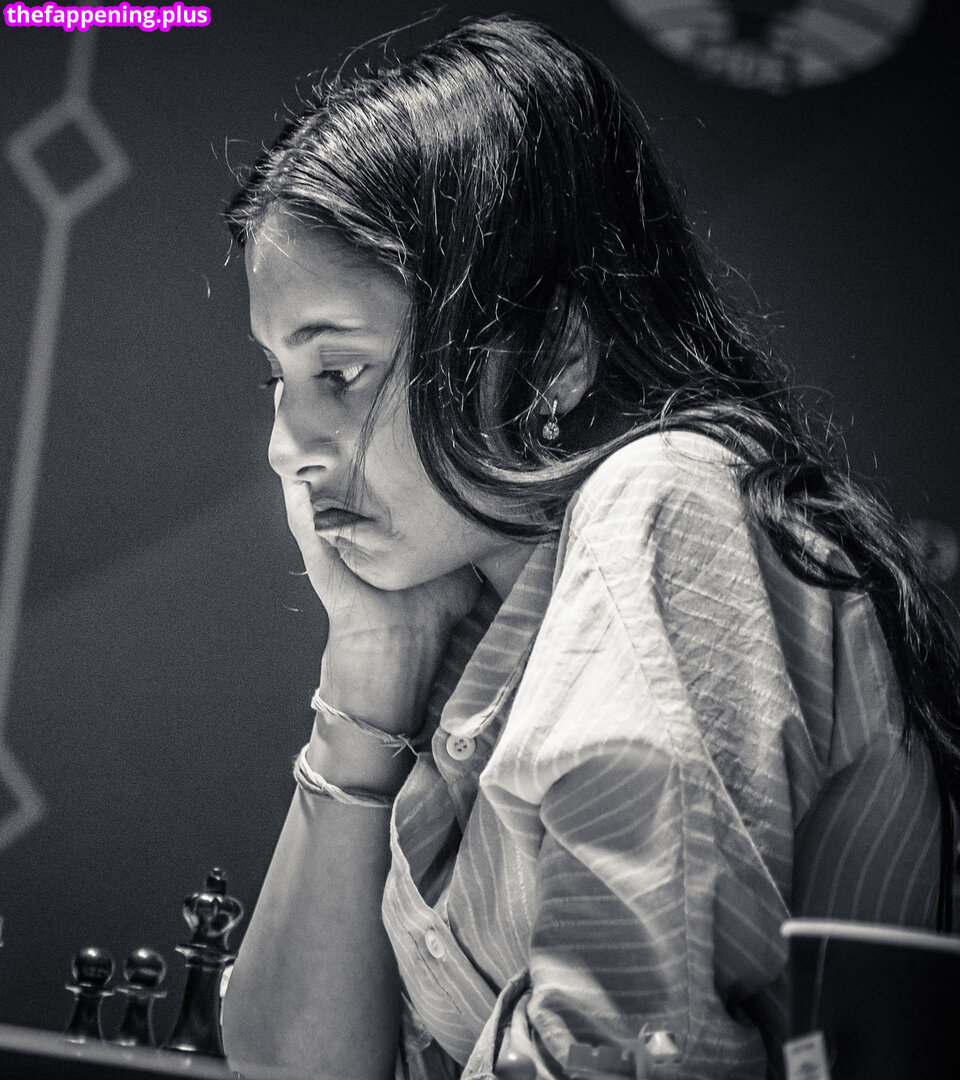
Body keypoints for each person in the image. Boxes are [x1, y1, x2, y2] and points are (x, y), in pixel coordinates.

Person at [218, 15, 960, 1080]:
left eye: (339, 372)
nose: (287, 447)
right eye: (278, 380)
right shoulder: (474, 602)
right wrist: (369, 667)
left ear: (554, 353)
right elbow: (290, 1067)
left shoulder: (664, 502)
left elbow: (636, 1060)